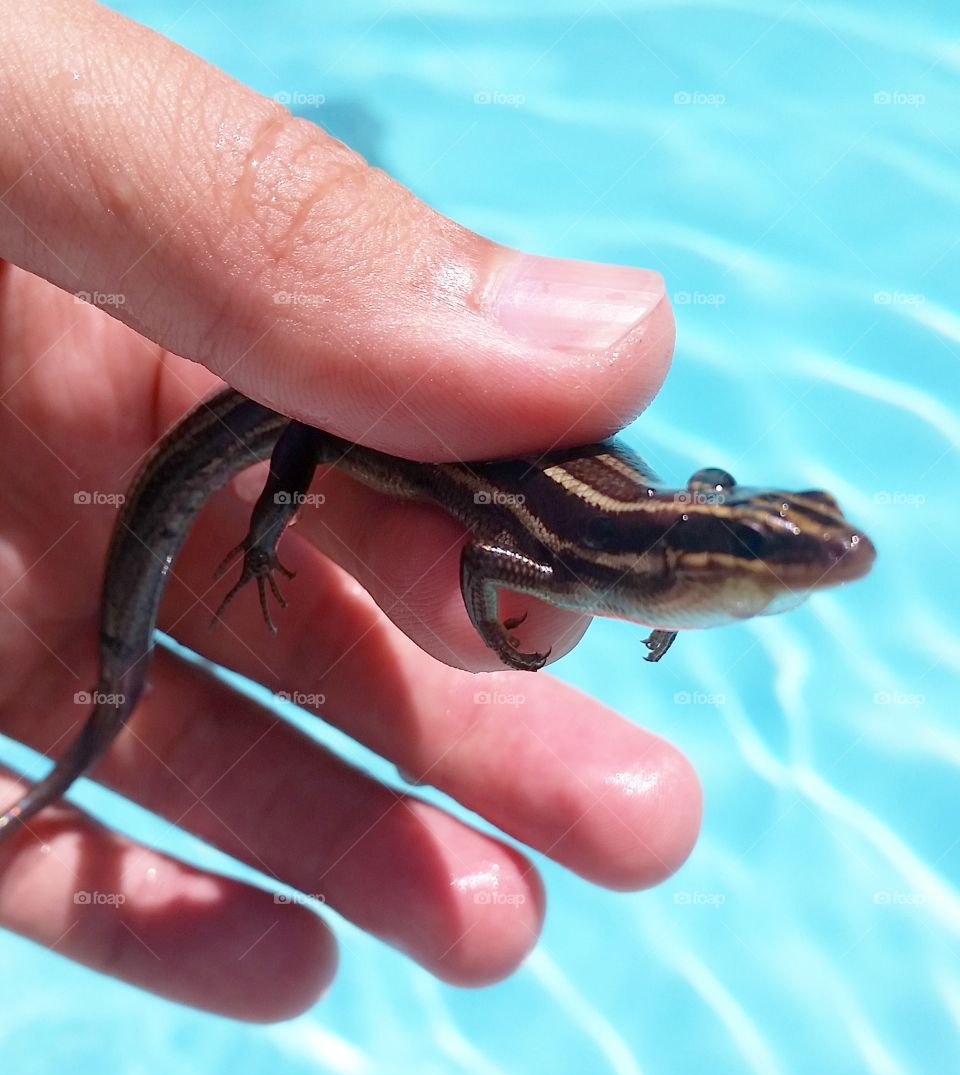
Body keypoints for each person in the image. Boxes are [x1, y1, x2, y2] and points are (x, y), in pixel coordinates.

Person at [0, 0, 700, 1019]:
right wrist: (273, 533)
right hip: (316, 418)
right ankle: (124, 687)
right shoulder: (615, 548)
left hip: (324, 426)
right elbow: (481, 565)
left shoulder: (645, 550)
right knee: (286, 478)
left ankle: (93, 726)